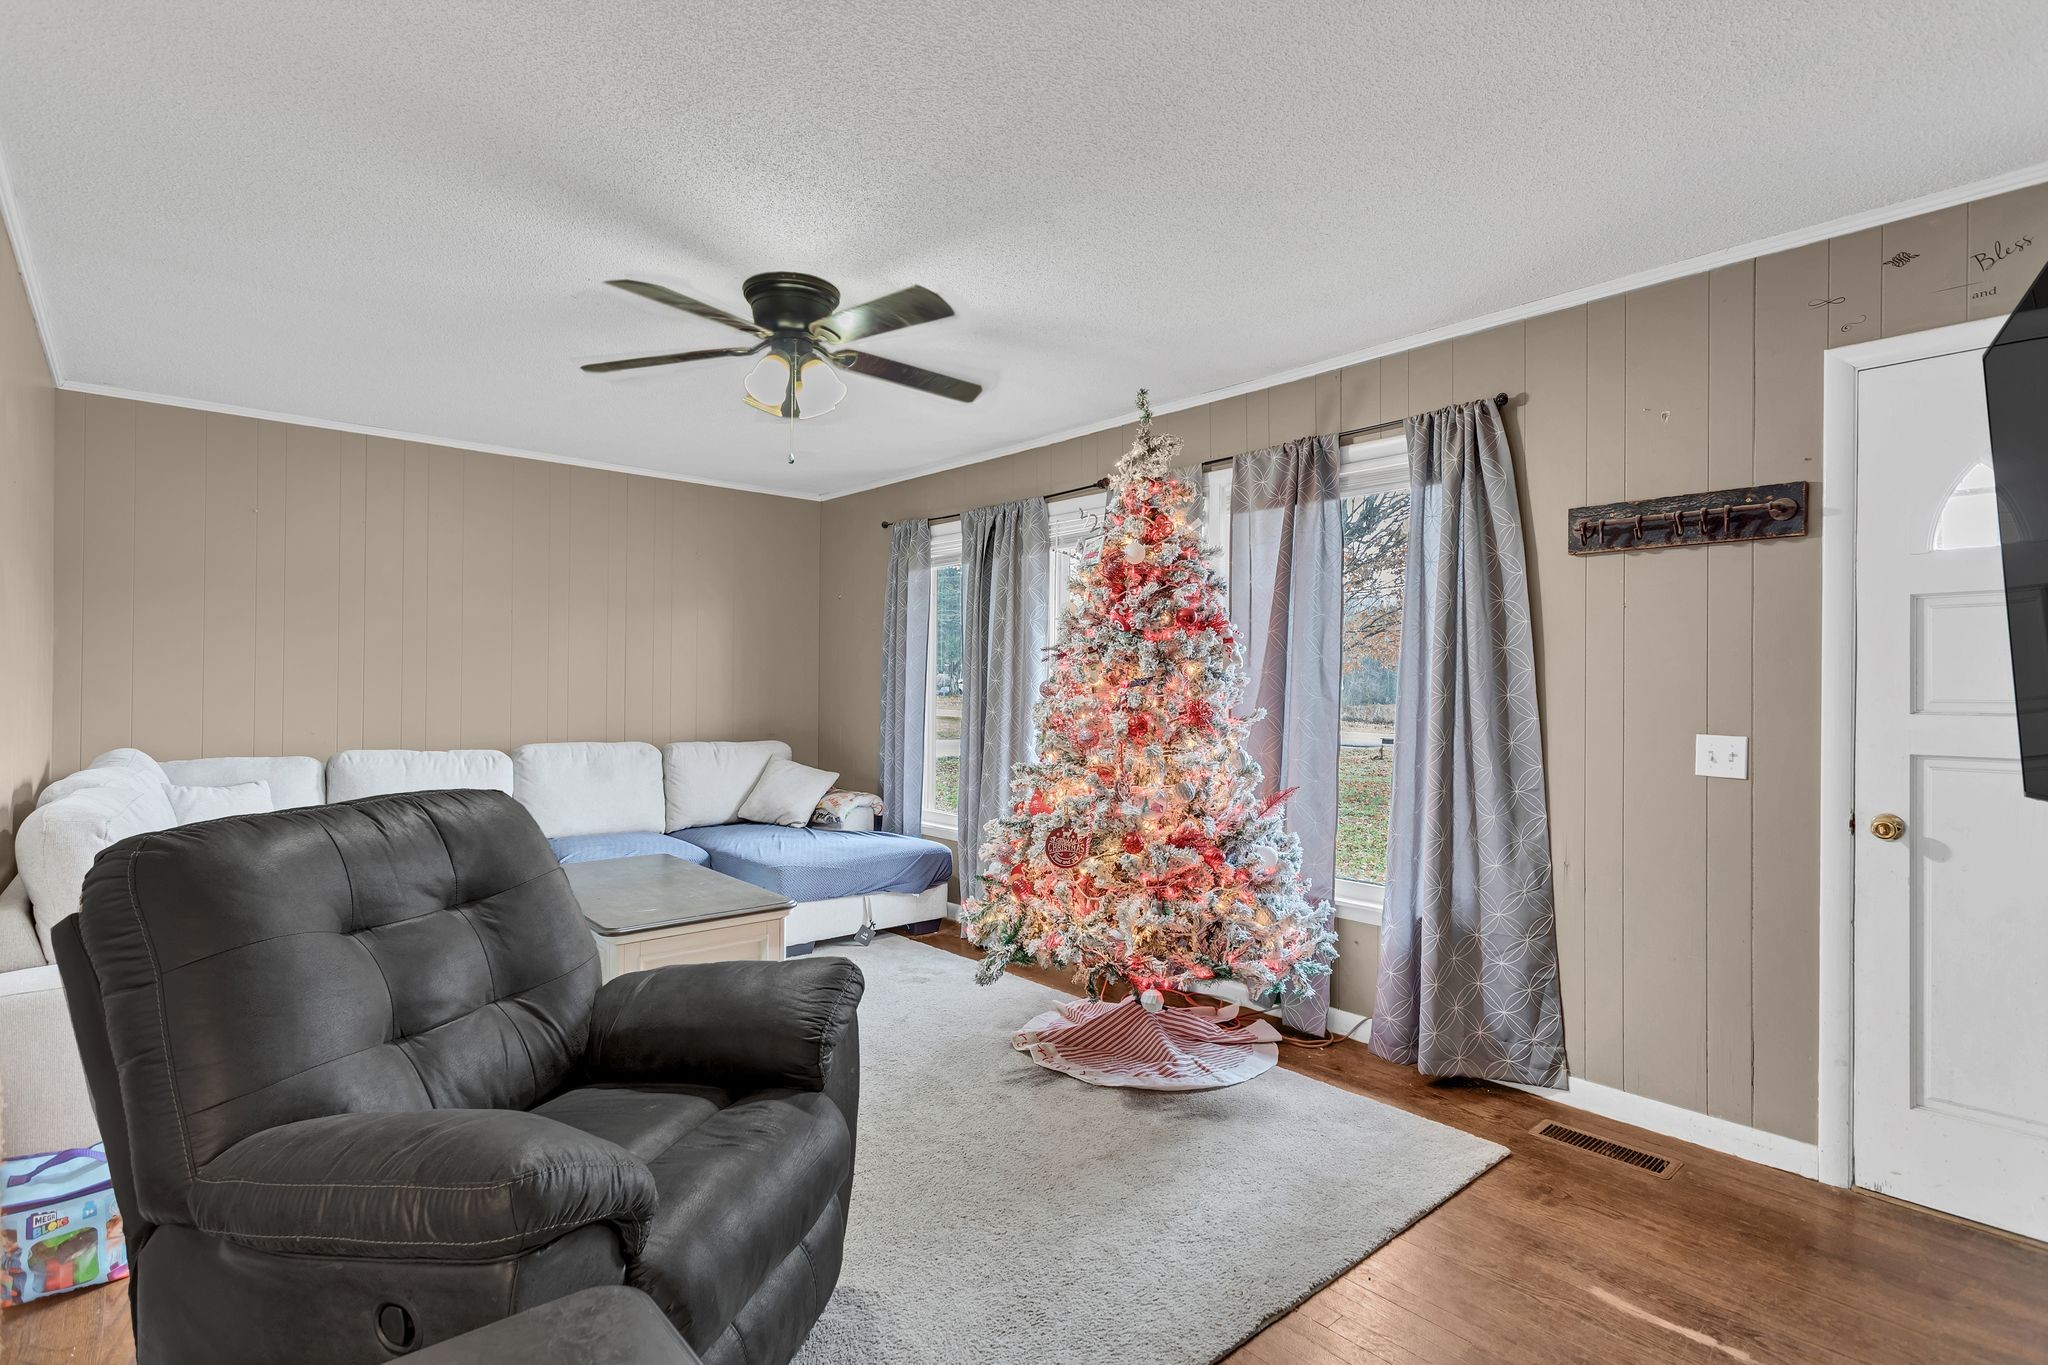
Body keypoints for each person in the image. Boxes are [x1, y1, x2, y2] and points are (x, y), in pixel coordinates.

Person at [1, 1227, 25, 1306]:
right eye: (5, 1246)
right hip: (14, 1288)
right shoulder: (7, 1256)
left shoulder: (20, 1253)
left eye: (9, 1245)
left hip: (21, 1284)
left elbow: (19, 1265)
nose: (6, 1248)